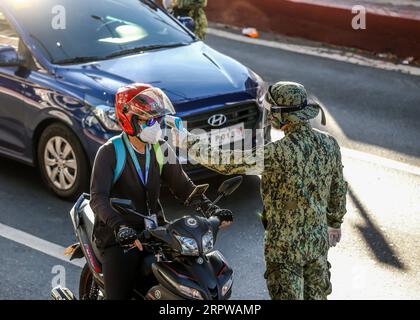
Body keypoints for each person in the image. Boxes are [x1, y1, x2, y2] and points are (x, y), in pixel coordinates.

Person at [172, 81, 348, 300]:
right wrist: (334, 223)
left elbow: (226, 162)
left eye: (271, 110)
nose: (269, 115)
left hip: (285, 250)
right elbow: (339, 188)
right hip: (318, 242)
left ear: (282, 115)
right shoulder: (329, 144)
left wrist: (186, 141)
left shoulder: (276, 153)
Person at [90, 83, 233, 300]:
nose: (155, 126)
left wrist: (210, 208)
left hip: (155, 231)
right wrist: (120, 227)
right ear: (129, 121)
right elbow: (98, 199)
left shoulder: (161, 147)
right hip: (120, 236)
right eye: (149, 121)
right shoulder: (109, 152)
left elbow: (183, 186)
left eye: (157, 120)